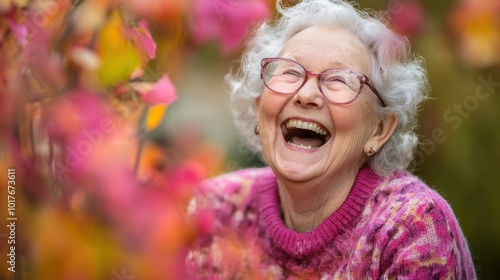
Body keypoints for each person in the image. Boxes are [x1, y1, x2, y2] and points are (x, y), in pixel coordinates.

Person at [187, 0, 476, 278]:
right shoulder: (215, 209)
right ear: (259, 107)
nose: (306, 95)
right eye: (290, 71)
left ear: (379, 129)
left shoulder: (412, 227)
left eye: (338, 79)